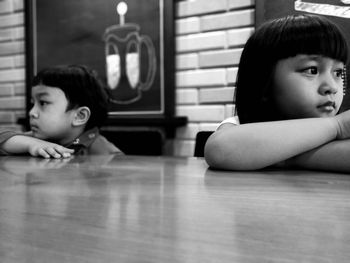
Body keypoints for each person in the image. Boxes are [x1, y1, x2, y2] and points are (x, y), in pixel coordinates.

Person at [204, 14, 350, 172]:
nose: (332, 87)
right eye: (312, 70)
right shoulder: (242, 126)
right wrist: (337, 126)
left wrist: (281, 156)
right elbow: (220, 150)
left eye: (338, 73)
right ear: (264, 79)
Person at [0, 65, 123, 158]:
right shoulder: (41, 139)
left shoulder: (108, 156)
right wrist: (30, 144)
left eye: (43, 103)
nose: (32, 112)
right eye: (33, 103)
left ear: (79, 116)